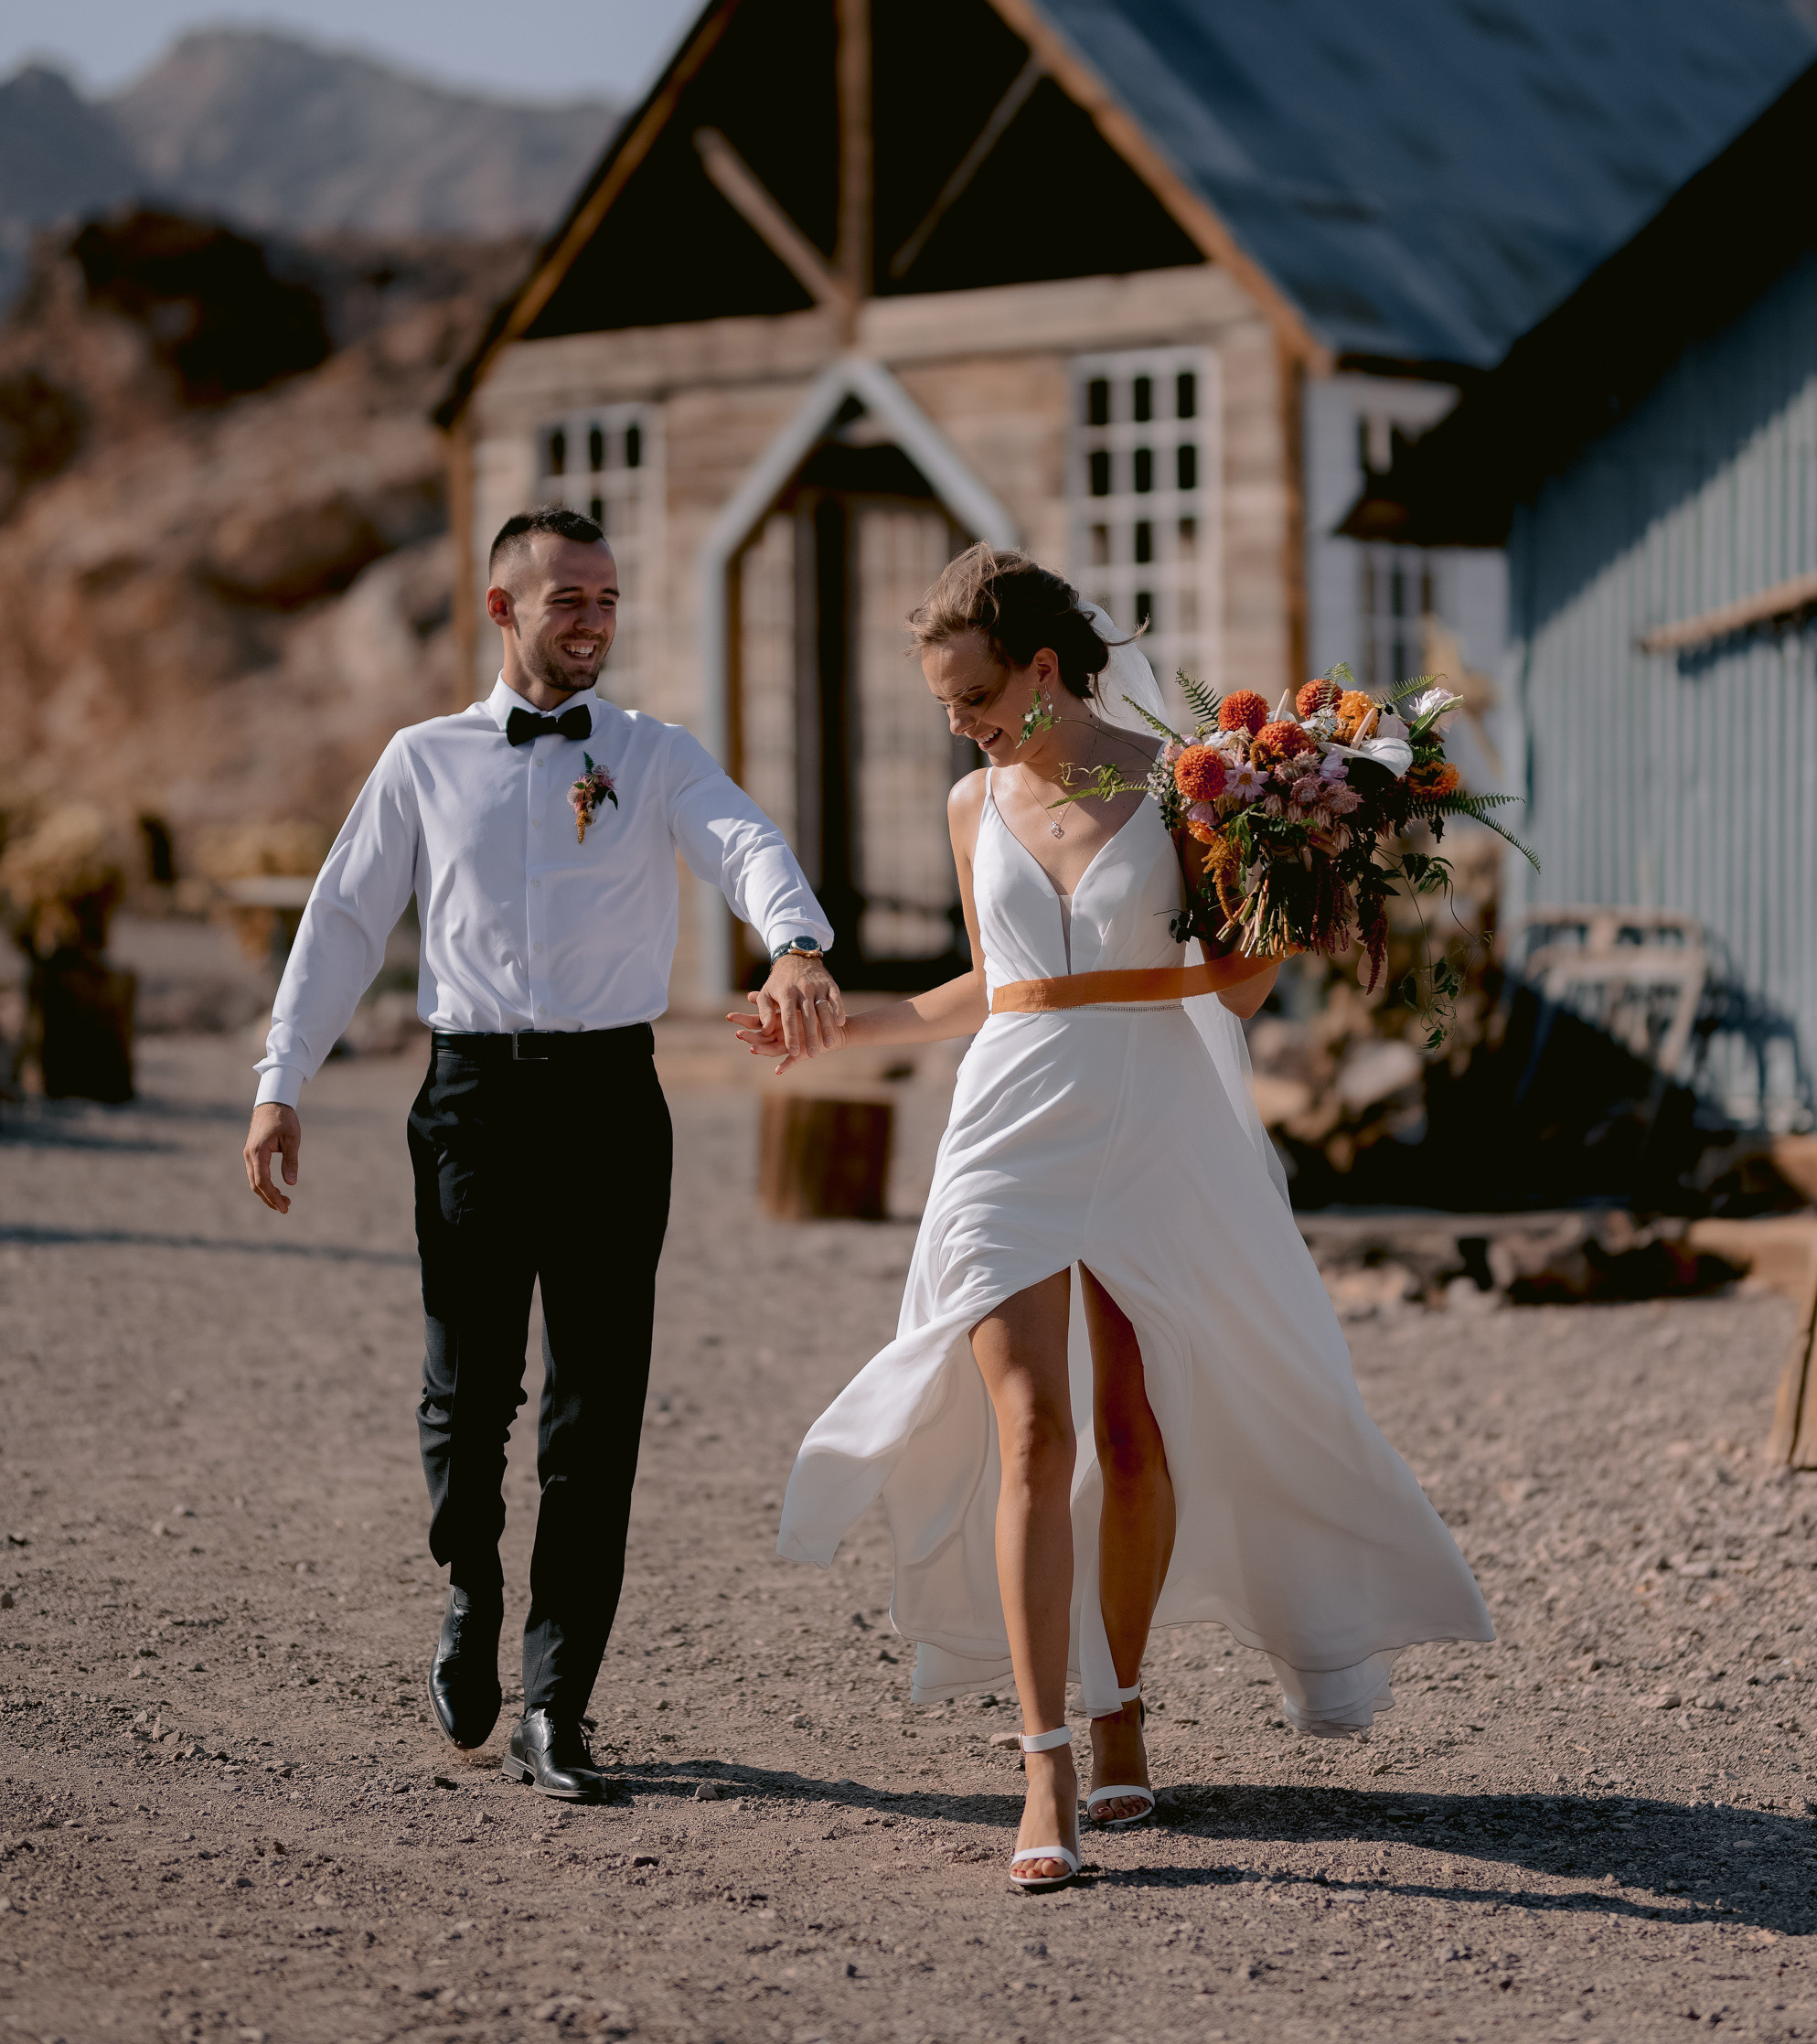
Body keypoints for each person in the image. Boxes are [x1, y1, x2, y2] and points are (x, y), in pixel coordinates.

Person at [737, 546, 1491, 1892]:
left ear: (1042, 667)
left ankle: (1123, 1698)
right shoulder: (971, 805)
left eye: (972, 693)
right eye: (943, 703)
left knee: (1134, 1425)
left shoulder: (1186, 784)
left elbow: (1233, 992)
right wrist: (847, 1024)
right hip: (1011, 1120)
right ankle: (1045, 1763)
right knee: (1034, 1426)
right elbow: (985, 981)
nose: (958, 722)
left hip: (1156, 1108)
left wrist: (1295, 888)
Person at [241, 506, 844, 1800]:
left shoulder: (655, 753)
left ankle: (558, 1704)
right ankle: (469, 1578)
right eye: (568, 597)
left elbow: (743, 843)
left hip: (613, 1103)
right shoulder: (420, 760)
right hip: (471, 1098)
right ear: (503, 608)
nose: (594, 620)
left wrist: (794, 940)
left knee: (596, 1408)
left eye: (609, 598)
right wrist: (280, 1080)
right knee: (469, 1398)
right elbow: (345, 918)